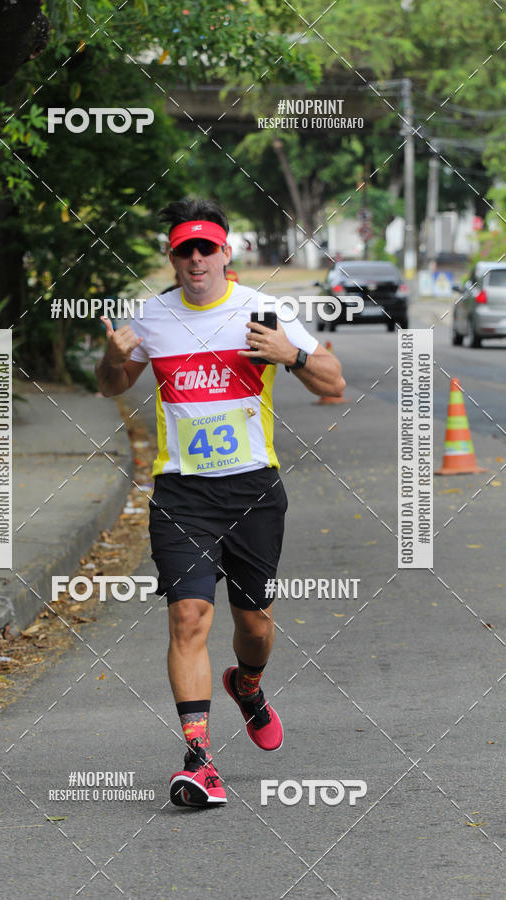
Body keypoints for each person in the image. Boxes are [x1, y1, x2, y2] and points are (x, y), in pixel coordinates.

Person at [96, 198, 345, 809]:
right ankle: (200, 760)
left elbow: (334, 381)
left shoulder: (262, 312)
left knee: (253, 624)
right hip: (181, 491)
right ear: (172, 257)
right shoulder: (150, 319)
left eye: (207, 247)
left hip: (253, 489)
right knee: (189, 618)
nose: (197, 259)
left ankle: (249, 684)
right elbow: (112, 385)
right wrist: (110, 358)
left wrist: (292, 355)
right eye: (185, 249)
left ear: (226, 252)